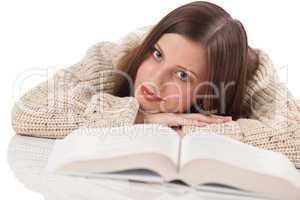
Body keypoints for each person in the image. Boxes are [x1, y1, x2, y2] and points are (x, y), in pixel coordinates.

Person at [11, 1, 300, 167]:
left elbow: (295, 140)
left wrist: (191, 127)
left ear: (210, 95)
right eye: (157, 54)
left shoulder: (253, 80)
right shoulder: (114, 57)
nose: (154, 79)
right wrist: (141, 116)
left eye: (183, 75)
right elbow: (29, 109)